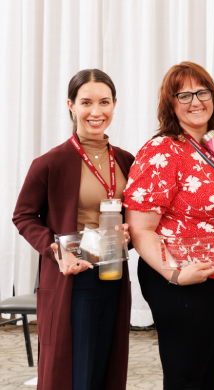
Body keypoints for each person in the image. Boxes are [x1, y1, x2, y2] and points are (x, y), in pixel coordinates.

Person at [125, 61, 214, 389]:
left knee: (213, 376)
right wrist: (175, 274)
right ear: (170, 103)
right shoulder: (161, 151)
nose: (196, 101)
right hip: (183, 279)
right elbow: (141, 229)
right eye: (184, 95)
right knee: (185, 378)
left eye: (202, 91)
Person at [12, 69, 133, 390]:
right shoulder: (50, 162)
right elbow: (23, 216)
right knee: (74, 372)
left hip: (113, 274)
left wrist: (130, 235)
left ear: (115, 104)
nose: (96, 112)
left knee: (106, 367)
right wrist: (55, 249)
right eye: (86, 102)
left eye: (104, 102)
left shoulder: (126, 161)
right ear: (71, 105)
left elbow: (135, 218)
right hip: (72, 278)